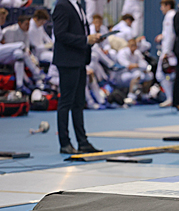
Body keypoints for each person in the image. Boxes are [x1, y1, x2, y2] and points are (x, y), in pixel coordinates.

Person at [52, 0, 103, 154]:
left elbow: (78, 32)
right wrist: (85, 40)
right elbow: (60, 34)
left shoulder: (77, 6)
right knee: (66, 103)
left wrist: (91, 40)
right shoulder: (62, 5)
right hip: (68, 61)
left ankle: (82, 141)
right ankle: (65, 142)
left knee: (79, 103)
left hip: (79, 60)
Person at [0, 9, 42, 94]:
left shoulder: (1, 29)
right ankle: (38, 74)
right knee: (21, 45)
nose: (3, 20)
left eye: (4, 18)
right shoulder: (8, 30)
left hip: (4, 54)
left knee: (19, 54)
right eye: (1, 18)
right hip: (2, 51)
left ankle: (20, 85)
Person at [155, 0, 176, 108]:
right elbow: (167, 34)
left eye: (162, 6)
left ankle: (171, 98)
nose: (161, 9)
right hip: (170, 50)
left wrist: (166, 52)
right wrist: (161, 36)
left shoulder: (170, 15)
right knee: (170, 75)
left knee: (160, 74)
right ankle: (172, 98)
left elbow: (171, 35)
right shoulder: (171, 15)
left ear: (168, 5)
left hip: (168, 51)